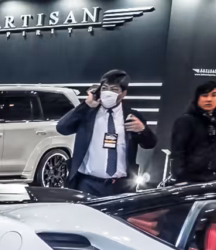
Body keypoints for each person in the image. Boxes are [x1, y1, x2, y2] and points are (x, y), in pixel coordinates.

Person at [56, 69, 157, 197]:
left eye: (114, 89)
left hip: (121, 186)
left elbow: (150, 144)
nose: (108, 93)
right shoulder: (87, 113)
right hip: (87, 183)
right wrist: (86, 105)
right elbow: (62, 128)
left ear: (123, 93)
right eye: (104, 88)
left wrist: (143, 130)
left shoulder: (132, 116)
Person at [170, 81, 216, 184]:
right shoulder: (185, 121)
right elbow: (178, 152)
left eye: (214, 95)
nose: (209, 99)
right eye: (205, 95)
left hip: (212, 178)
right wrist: (180, 178)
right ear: (197, 98)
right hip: (189, 179)